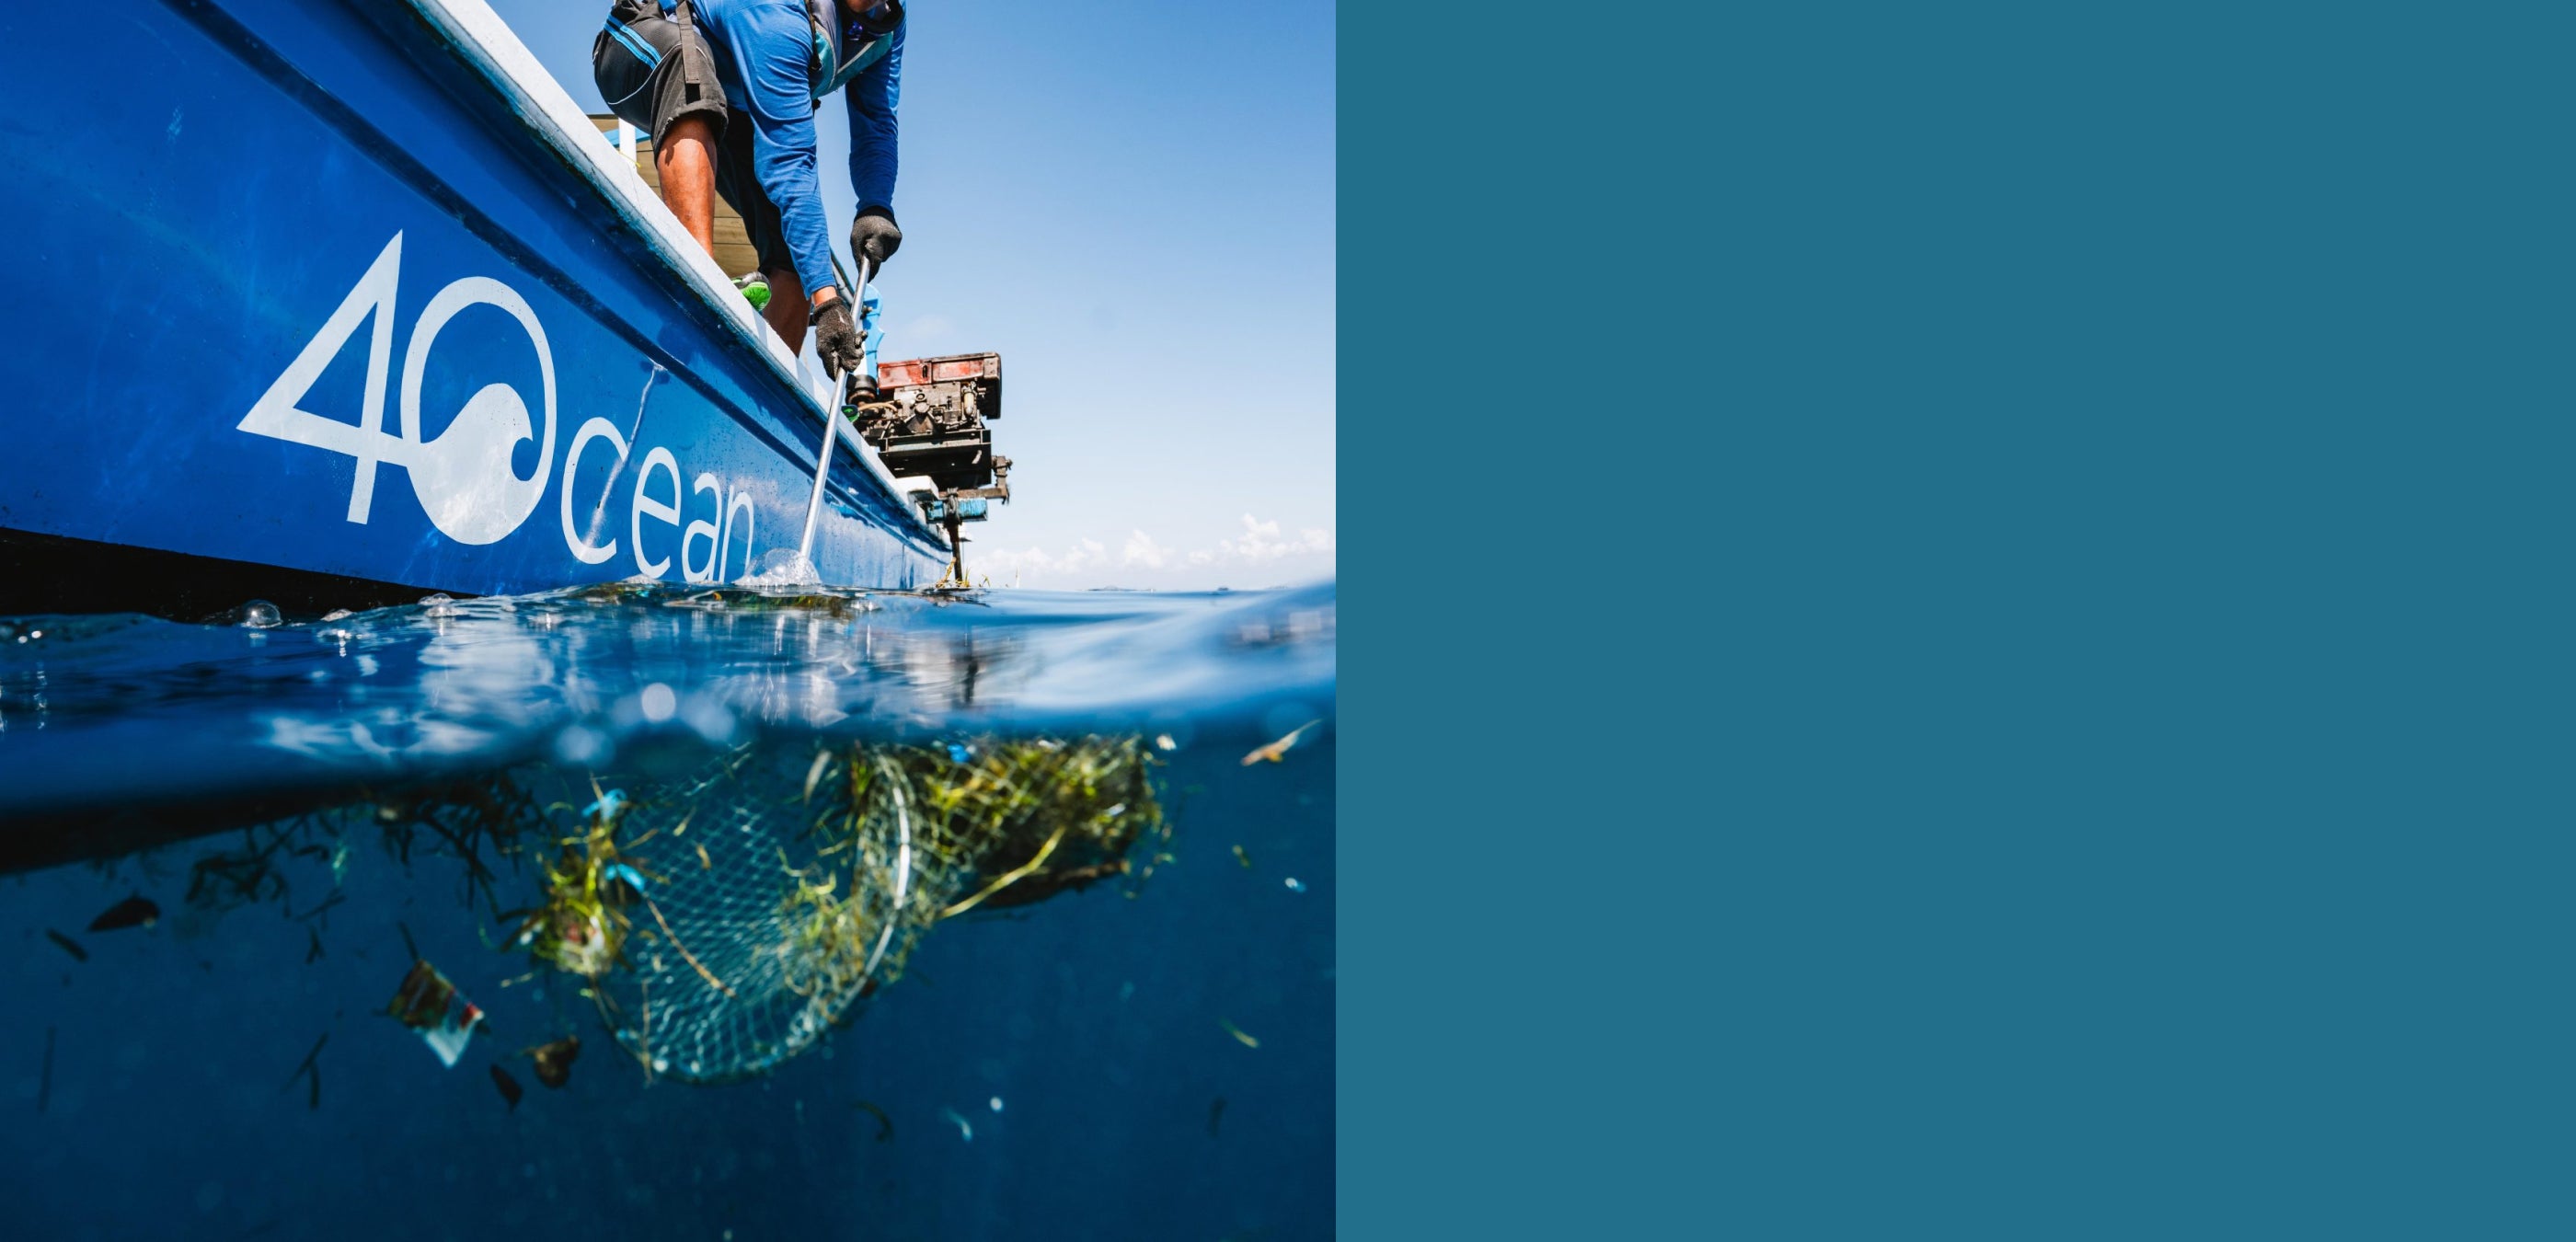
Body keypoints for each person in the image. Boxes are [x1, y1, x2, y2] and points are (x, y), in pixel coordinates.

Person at [594, 0, 907, 392]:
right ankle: (695, 298)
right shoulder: (776, 11)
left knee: (794, 259)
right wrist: (827, 301)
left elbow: (877, 121)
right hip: (640, 40)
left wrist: (875, 206)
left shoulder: (888, 22)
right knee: (690, 68)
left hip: (733, 88)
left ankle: (757, 400)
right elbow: (791, 161)